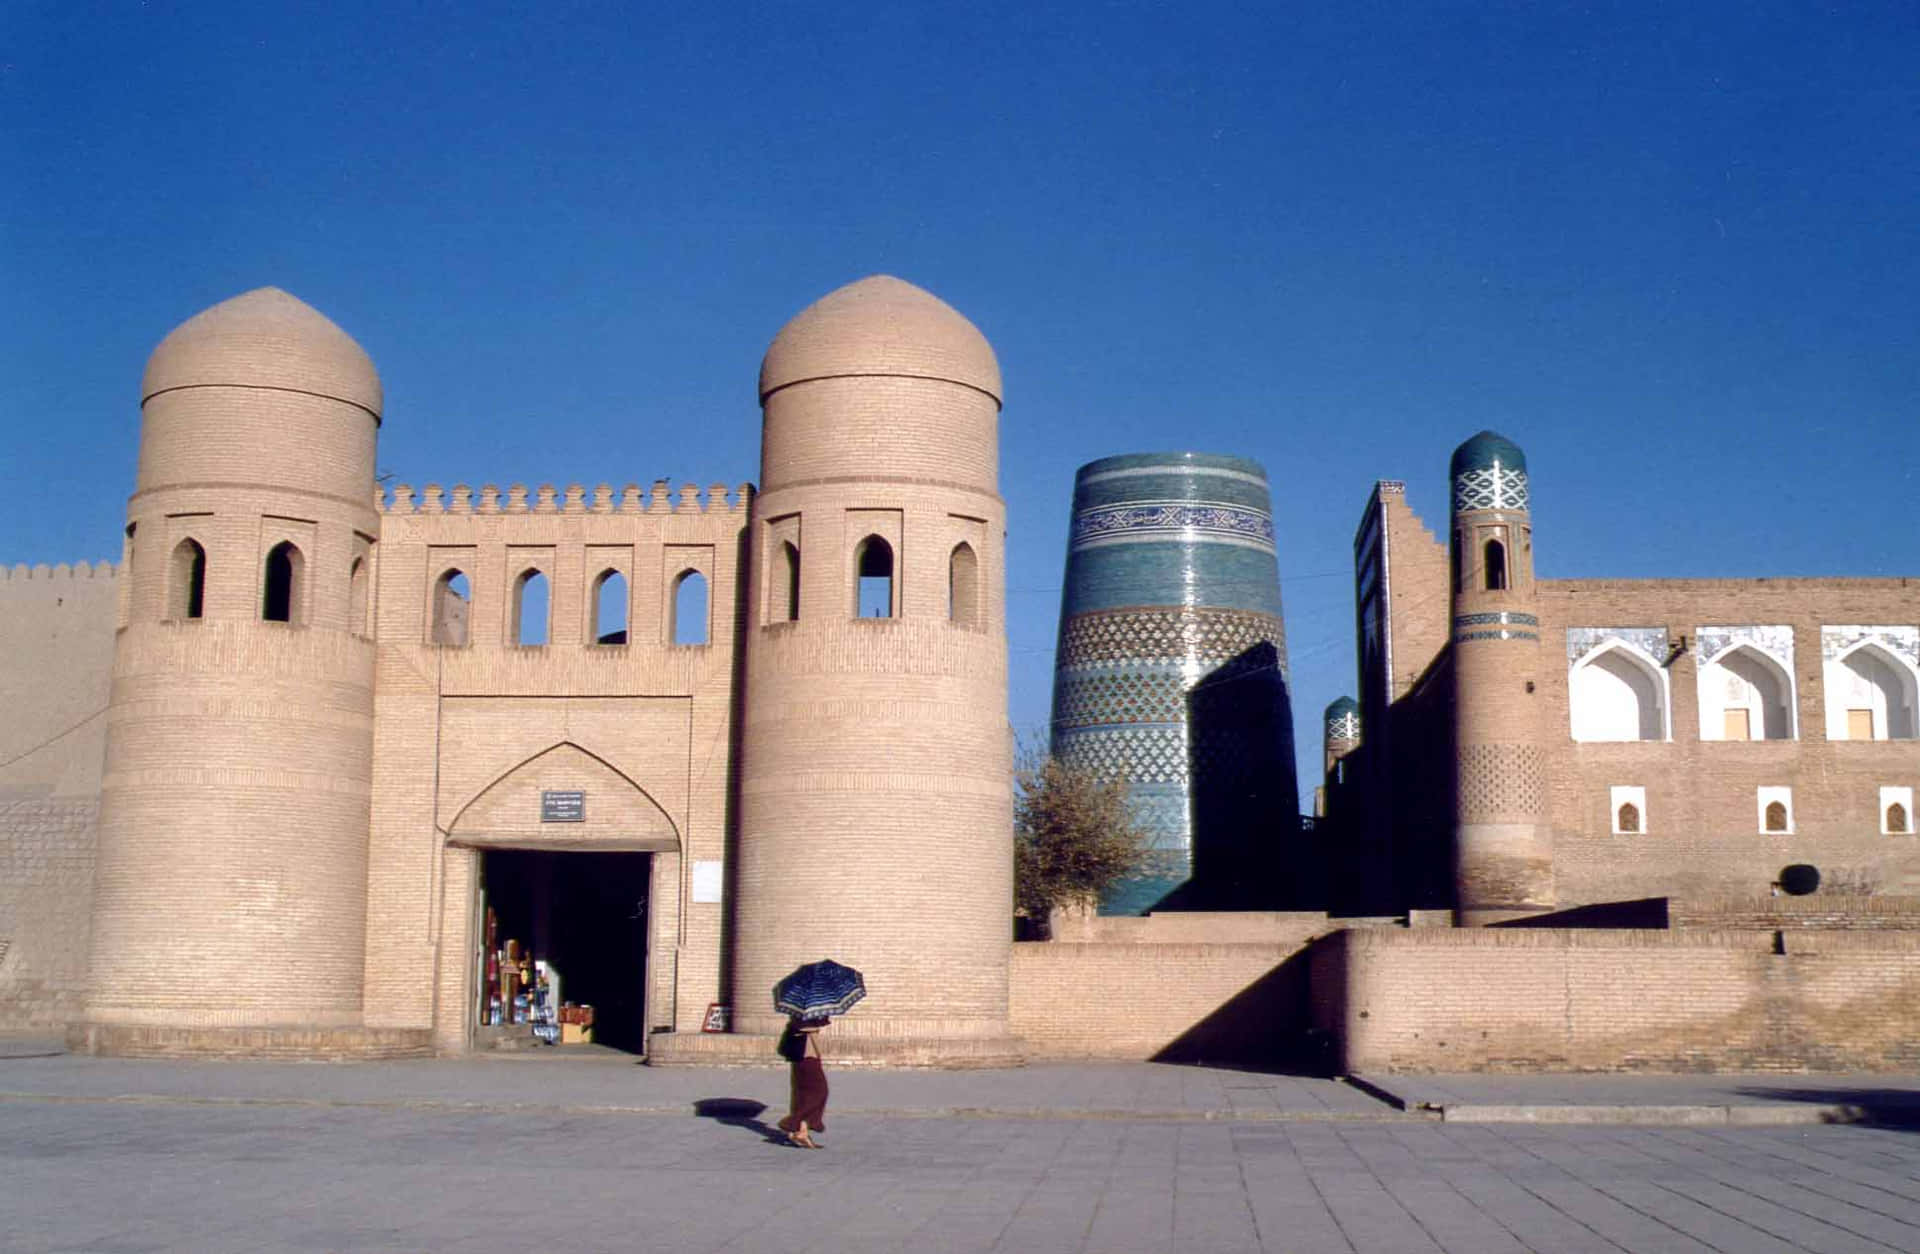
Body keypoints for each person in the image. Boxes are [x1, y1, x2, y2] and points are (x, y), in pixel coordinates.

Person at [776, 1015, 830, 1148]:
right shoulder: (805, 1015)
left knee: (802, 1094)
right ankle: (791, 1123)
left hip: (801, 1056)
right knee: (820, 1091)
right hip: (807, 1057)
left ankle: (802, 1132)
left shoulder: (805, 1011)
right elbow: (806, 1028)